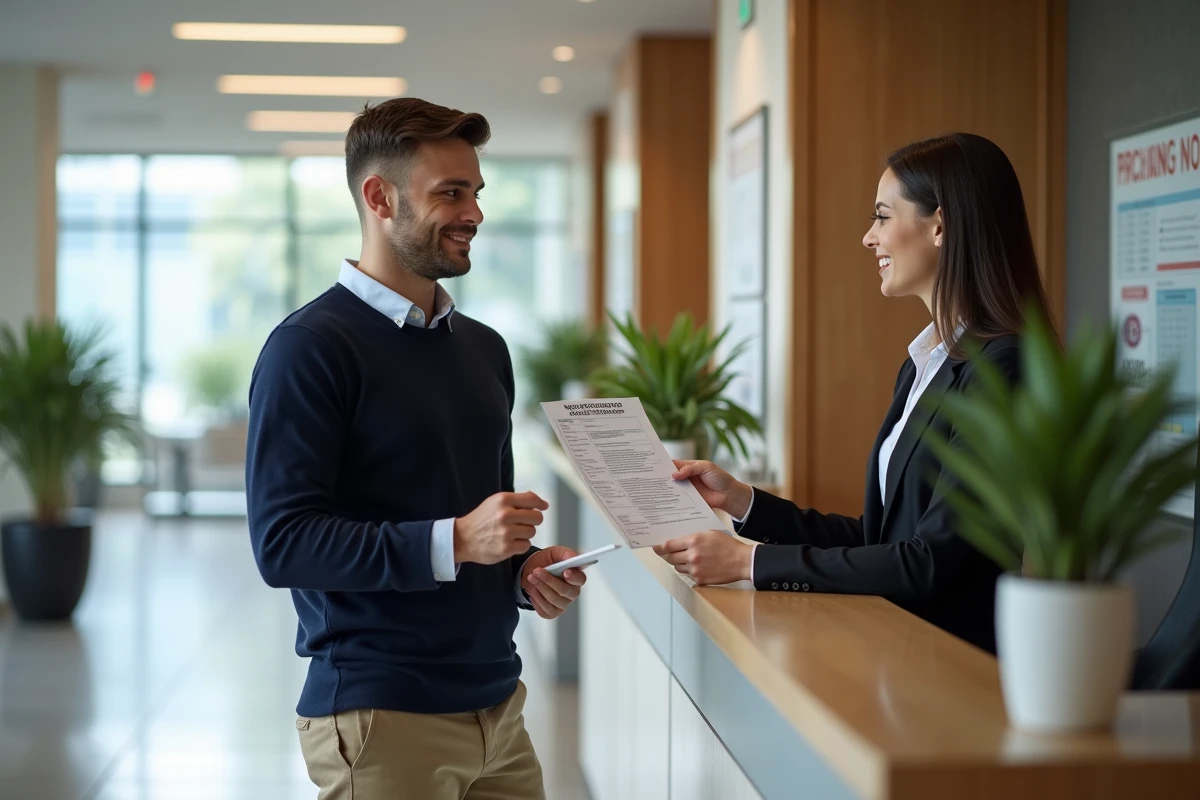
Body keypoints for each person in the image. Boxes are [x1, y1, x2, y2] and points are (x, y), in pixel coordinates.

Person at [246, 97, 587, 800]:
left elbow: (474, 522)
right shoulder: (309, 349)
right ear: (380, 197)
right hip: (381, 715)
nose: (474, 213)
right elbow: (284, 544)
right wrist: (459, 540)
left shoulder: (483, 349)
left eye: (476, 193)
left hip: (500, 705)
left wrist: (523, 570)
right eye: (450, 193)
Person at [654, 133, 1053, 654]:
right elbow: (880, 540)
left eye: (883, 217)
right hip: (897, 649)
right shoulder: (924, 365)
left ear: (940, 225)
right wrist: (743, 502)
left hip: (953, 666)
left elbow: (933, 559)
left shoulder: (1003, 366)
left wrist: (746, 562)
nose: (869, 238)